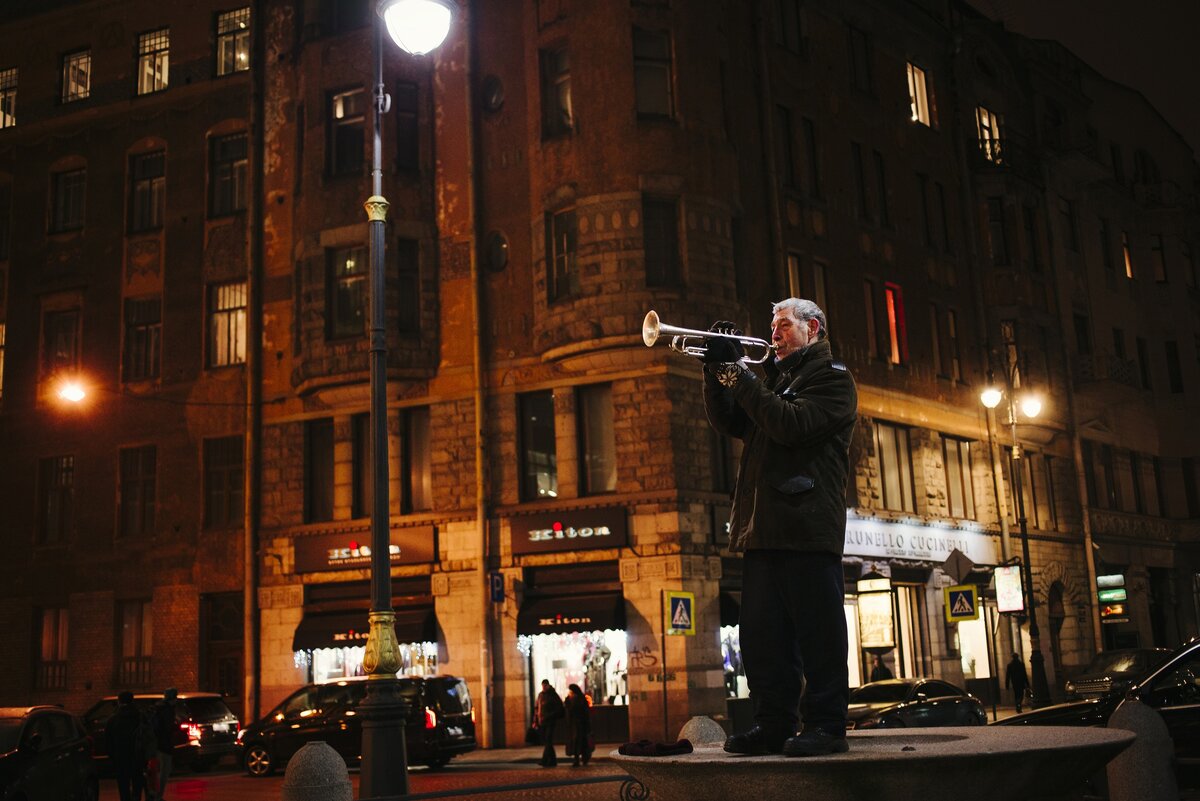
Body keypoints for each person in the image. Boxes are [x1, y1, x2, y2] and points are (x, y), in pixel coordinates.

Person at [703, 298, 858, 758]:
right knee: (762, 637)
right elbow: (730, 419)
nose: (774, 333)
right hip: (763, 529)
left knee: (818, 634)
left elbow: (789, 424)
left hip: (806, 528)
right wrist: (714, 371)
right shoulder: (775, 380)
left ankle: (827, 726)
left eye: (784, 325)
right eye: (773, 324)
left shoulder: (833, 378)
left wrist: (739, 374)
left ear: (812, 328)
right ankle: (773, 724)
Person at [105, 691, 148, 801]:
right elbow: (148, 736)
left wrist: (112, 757)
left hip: (120, 758)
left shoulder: (113, 719)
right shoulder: (140, 716)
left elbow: (108, 742)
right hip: (138, 757)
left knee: (123, 786)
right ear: (132, 700)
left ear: (119, 701)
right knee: (137, 785)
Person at [150, 687, 179, 800]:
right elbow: (168, 728)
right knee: (164, 771)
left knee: (156, 771)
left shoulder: (158, 708)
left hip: (156, 744)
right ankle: (158, 795)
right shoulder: (168, 710)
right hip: (165, 745)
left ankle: (153, 793)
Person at [534, 679, 564, 767]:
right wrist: (535, 720)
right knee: (547, 741)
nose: (543, 688)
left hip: (550, 721)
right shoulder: (540, 695)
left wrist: (550, 715)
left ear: (548, 685)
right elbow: (537, 708)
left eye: (545, 686)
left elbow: (559, 708)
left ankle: (544, 760)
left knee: (548, 739)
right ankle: (553, 761)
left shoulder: (553, 695)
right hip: (542, 721)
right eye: (542, 686)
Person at [564, 683, 592, 767]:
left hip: (580, 724)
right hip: (575, 725)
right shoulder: (570, 699)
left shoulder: (580, 699)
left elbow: (585, 712)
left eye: (571, 691)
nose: (569, 693)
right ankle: (578, 759)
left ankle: (582, 758)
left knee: (580, 742)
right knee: (577, 742)